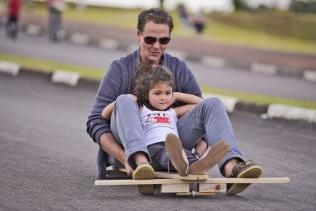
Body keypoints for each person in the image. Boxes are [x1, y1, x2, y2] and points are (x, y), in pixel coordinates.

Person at [86, 8, 262, 196]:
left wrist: (201, 150)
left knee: (214, 104)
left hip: (169, 138)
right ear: (138, 36)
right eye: (150, 39)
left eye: (164, 40)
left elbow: (201, 111)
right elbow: (96, 121)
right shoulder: (119, 69)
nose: (157, 45)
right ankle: (140, 161)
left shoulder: (178, 68)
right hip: (129, 144)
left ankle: (231, 167)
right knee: (124, 100)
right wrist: (124, 159)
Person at [101, 64, 229, 178]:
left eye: (167, 93)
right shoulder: (141, 109)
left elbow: (203, 105)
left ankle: (197, 164)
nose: (163, 98)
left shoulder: (173, 112)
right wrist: (127, 99)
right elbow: (104, 114)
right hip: (151, 149)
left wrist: (176, 95)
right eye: (158, 93)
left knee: (180, 154)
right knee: (168, 155)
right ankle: (186, 163)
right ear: (146, 94)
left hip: (173, 147)